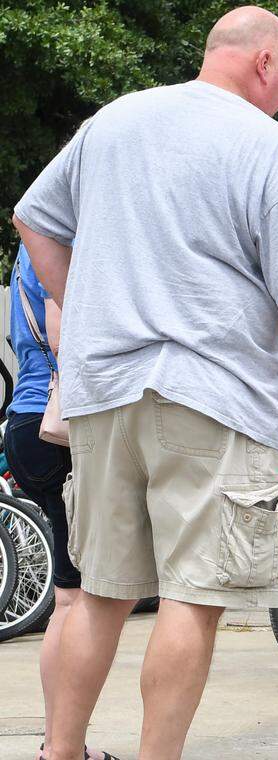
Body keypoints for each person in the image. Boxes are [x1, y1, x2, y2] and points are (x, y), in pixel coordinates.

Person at [11, 6, 278, 759]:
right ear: (263, 62)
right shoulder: (267, 145)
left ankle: (62, 751)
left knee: (100, 592)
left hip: (101, 394)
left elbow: (34, 218)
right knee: (194, 596)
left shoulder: (115, 121)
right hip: (210, 394)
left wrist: (86, 309)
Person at [4, 244, 115, 760]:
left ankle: (63, 743)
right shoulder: (53, 245)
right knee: (77, 599)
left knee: (67, 598)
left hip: (26, 422)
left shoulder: (22, 256)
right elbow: (60, 331)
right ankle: (61, 749)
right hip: (58, 426)